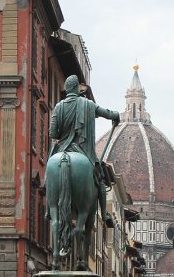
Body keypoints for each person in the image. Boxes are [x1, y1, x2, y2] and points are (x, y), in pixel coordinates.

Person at [48, 74, 120, 224]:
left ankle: (49, 208)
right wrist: (116, 116)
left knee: (49, 176)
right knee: (100, 180)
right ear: (77, 89)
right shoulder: (89, 105)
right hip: (83, 150)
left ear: (67, 89)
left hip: (63, 149)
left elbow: (53, 133)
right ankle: (105, 214)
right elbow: (107, 113)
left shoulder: (58, 107)